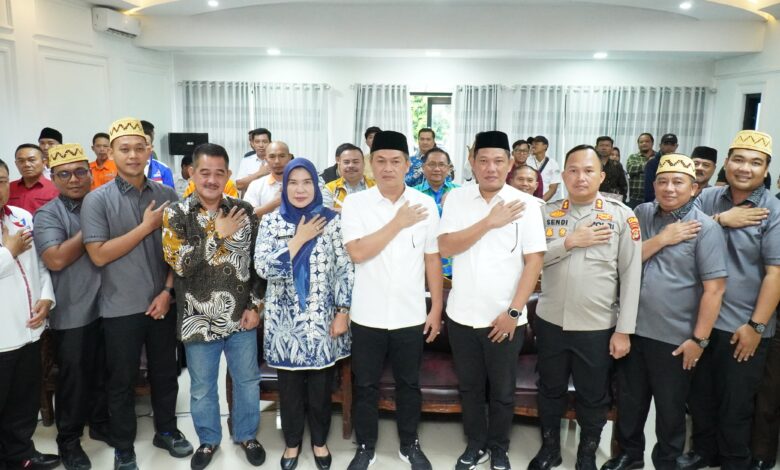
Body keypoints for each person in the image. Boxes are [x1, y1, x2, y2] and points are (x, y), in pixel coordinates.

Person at [602, 154, 727, 470]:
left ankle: (667, 461)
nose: (669, 188)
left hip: (674, 337)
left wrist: (699, 340)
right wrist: (662, 239)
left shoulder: (706, 228)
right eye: (663, 181)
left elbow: (714, 289)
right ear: (654, 184)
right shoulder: (642, 213)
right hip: (631, 328)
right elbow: (624, 262)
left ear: (694, 188)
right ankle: (630, 455)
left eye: (678, 182)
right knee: (630, 401)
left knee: (670, 409)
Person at [81, 117, 192, 470]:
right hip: (119, 306)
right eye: (124, 149)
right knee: (121, 380)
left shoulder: (167, 195)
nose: (132, 155)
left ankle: (167, 431)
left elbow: (179, 252)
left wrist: (168, 291)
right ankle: (123, 445)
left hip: (162, 302)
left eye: (139, 148)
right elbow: (99, 254)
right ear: (111, 153)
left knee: (165, 374)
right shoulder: (97, 200)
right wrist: (146, 227)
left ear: (149, 151)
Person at [438, 131, 546, 470]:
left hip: (505, 318)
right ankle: (475, 445)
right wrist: (489, 222)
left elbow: (534, 261)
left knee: (502, 390)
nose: (491, 168)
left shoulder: (527, 204)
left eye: (498, 161)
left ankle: (499, 447)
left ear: (510, 163)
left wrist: (513, 312)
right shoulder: (457, 199)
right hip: (461, 316)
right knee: (470, 387)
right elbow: (446, 247)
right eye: (483, 160)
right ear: (472, 162)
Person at [530, 145, 641, 470]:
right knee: (549, 390)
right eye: (574, 170)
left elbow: (631, 275)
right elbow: (531, 261)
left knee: (594, 396)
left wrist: (624, 330)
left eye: (589, 170)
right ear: (564, 175)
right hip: (551, 321)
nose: (581, 177)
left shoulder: (622, 216)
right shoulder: (545, 213)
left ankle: (586, 454)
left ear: (601, 176)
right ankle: (550, 449)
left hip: (597, 326)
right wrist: (569, 242)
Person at [678, 130, 780, 470]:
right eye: (738, 159)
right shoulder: (708, 198)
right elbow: (680, 233)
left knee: (736, 406)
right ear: (726, 162)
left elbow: (775, 274)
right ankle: (703, 453)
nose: (745, 168)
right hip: (702, 321)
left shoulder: (773, 210)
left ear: (766, 169)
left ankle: (734, 461)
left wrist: (756, 326)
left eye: (755, 163)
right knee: (700, 398)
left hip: (743, 325)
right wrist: (722, 220)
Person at [341, 130, 442, 470]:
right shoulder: (356, 204)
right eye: (381, 161)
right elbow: (357, 252)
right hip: (367, 314)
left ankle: (409, 444)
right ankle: (365, 446)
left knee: (409, 384)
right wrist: (398, 223)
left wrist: (436, 308)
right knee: (365, 384)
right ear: (371, 164)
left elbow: (432, 259)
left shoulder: (425, 204)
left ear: (407, 165)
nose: (388, 168)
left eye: (395, 161)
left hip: (409, 314)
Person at [162, 143, 265, 470]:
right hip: (197, 318)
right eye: (204, 172)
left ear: (228, 175)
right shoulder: (176, 213)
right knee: (202, 388)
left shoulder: (243, 211)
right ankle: (208, 440)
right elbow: (181, 265)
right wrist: (215, 234)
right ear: (191, 172)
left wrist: (256, 306)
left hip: (241, 317)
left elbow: (258, 264)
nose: (211, 179)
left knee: (247, 381)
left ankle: (246, 434)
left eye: (219, 173)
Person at [255, 158, 354, 470]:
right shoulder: (271, 222)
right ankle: (292, 443)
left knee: (321, 389)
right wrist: (298, 239)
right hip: (285, 324)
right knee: (290, 391)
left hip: (322, 322)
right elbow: (264, 268)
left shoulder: (331, 221)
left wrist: (342, 312)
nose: (300, 189)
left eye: (307, 182)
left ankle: (320, 441)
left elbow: (345, 269)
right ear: (284, 186)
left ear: (316, 184)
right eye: (293, 182)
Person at [33, 143, 110, 470]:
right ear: (53, 178)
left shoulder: (102, 202)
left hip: (109, 304)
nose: (74, 179)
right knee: (74, 378)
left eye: (80, 171)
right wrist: (92, 225)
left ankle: (100, 423)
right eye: (64, 174)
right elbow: (55, 258)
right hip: (73, 310)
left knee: (105, 370)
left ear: (90, 173)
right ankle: (69, 440)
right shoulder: (48, 214)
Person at [0, 158, 60, 470]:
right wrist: (7, 251)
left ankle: (21, 455)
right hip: (2, 336)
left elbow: (39, 265)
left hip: (29, 329)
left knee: (23, 402)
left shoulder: (20, 217)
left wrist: (46, 298)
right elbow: (10, 258)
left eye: (1, 181)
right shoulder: (11, 239)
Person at [414, 147, 459, 278]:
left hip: (453, 262)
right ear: (423, 167)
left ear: (449, 168)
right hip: (420, 261)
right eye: (432, 164)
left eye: (441, 165)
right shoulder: (413, 194)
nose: (437, 169)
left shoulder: (459, 193)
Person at [244, 141, 292, 217]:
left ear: (289, 158)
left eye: (282, 156)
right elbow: (247, 215)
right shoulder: (256, 185)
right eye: (272, 157)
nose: (277, 161)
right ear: (266, 159)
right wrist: (274, 203)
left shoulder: (301, 184)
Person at [322, 143, 375, 211]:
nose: (351, 165)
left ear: (363, 164)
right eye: (346, 162)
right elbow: (326, 213)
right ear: (339, 164)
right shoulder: (329, 189)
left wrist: (340, 210)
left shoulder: (377, 187)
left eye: (355, 162)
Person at [9, 144, 59, 213]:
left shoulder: (56, 189)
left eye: (31, 160)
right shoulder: (9, 188)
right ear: (16, 164)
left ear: (44, 162)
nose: (26, 164)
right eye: (21, 161)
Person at [643, 133, 678, 203]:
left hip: (674, 202)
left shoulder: (679, 163)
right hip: (655, 203)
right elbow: (649, 189)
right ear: (660, 145)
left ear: (676, 146)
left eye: (672, 144)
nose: (669, 147)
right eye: (666, 144)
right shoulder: (652, 163)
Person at [526, 135, 561, 201]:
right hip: (530, 201)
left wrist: (540, 202)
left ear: (545, 146)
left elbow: (553, 188)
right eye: (532, 144)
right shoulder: (527, 161)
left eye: (536, 144)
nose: (533, 146)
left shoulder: (553, 163)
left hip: (549, 202)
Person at [236, 128, 272, 192]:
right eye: (257, 142)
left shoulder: (276, 160)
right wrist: (260, 173)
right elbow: (239, 185)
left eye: (264, 142)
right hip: (251, 198)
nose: (261, 145)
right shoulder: (246, 161)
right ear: (252, 144)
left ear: (270, 143)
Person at [625, 133, 655, 208]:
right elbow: (631, 169)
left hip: (654, 198)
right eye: (641, 142)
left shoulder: (657, 157)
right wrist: (649, 164)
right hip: (635, 198)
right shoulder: (633, 157)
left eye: (647, 141)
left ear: (652, 143)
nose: (644, 143)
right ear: (638, 144)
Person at [595, 136, 628, 202]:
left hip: (612, 201)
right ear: (596, 148)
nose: (604, 148)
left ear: (612, 148)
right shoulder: (590, 164)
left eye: (607, 145)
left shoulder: (617, 165)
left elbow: (623, 186)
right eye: (601, 145)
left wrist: (621, 201)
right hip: (593, 199)